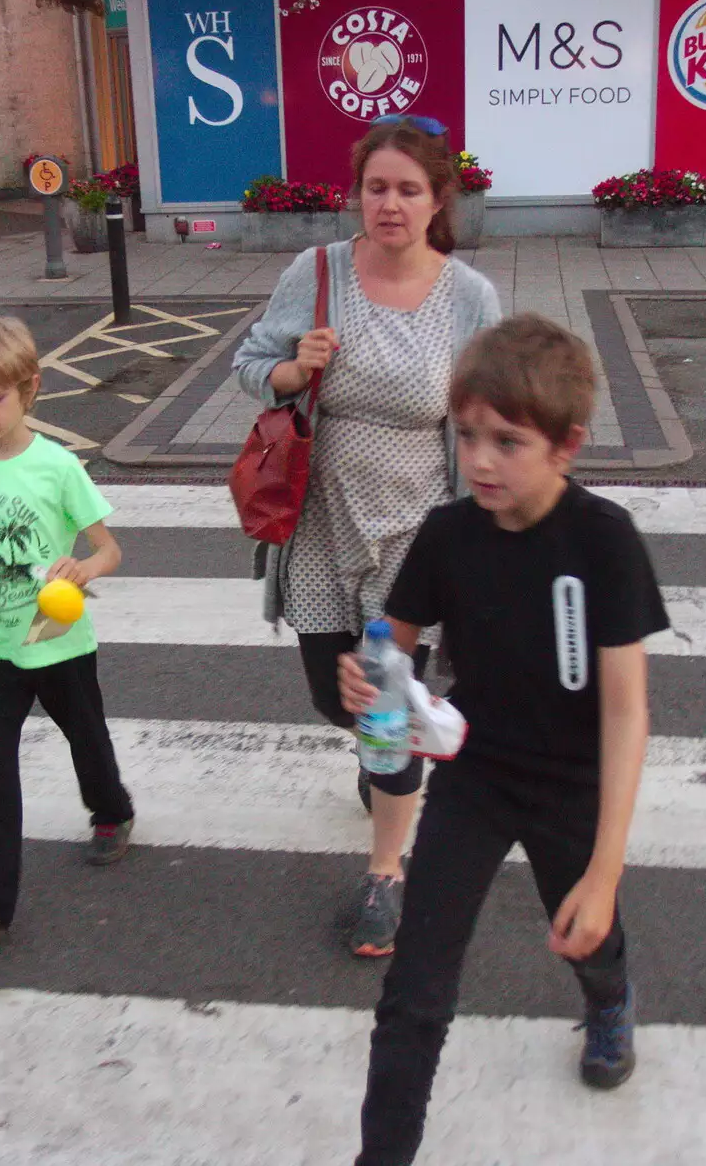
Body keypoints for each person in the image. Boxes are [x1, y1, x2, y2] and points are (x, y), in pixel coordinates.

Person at [337, 314, 671, 1165]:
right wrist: (375, 682)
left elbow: (627, 711)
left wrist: (604, 874)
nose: (480, 460)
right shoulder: (449, 533)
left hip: (571, 780)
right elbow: (392, 641)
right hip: (477, 776)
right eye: (468, 435)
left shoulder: (603, 540)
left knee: (588, 928)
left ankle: (609, 998)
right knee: (415, 990)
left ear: (567, 445)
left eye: (508, 441)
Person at [232, 115, 501, 958]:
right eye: (376, 187)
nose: (389, 204)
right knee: (331, 692)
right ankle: (383, 760)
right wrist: (291, 369)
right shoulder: (314, 273)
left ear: (437, 200)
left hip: (415, 530)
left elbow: (494, 412)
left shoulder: (469, 296)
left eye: (408, 190)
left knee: (383, 704)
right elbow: (248, 365)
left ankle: (387, 869)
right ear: (358, 194)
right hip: (318, 522)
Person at [0, 314, 134, 953]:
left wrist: (83, 565)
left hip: (59, 636)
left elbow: (109, 551)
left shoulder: (57, 467)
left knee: (85, 736)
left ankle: (111, 809)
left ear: (29, 389)